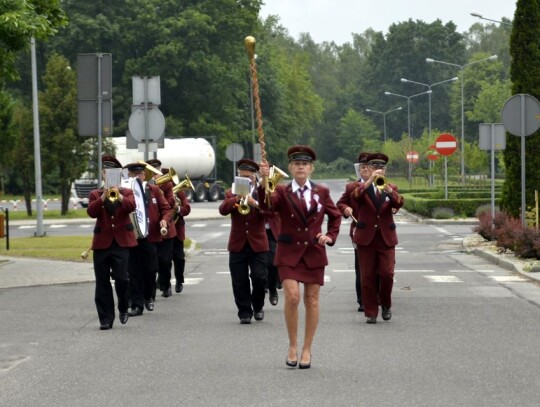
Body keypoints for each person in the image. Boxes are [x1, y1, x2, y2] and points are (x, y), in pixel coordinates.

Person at [258, 146, 341, 369]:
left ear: (311, 168)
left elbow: (335, 216)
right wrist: (263, 181)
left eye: (305, 164)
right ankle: (292, 346)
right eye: (296, 164)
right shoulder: (281, 192)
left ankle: (307, 349)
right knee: (293, 297)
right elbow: (266, 207)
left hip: (314, 251)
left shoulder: (321, 192)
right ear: (290, 168)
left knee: (312, 300)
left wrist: (330, 236)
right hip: (288, 251)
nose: (301, 167)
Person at [350, 153, 404, 324]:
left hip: (386, 237)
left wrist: (388, 189)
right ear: (369, 168)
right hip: (366, 238)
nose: (378, 171)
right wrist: (368, 182)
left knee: (387, 274)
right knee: (367, 276)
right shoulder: (361, 187)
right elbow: (355, 197)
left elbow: (399, 203)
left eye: (381, 168)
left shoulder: (391, 187)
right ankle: (370, 311)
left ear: (385, 170)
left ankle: (386, 304)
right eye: (374, 168)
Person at [87, 155, 137, 330]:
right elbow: (91, 212)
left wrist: (119, 196)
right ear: (102, 174)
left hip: (121, 242)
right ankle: (106, 318)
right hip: (102, 243)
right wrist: (103, 197)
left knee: (122, 279)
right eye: (105, 171)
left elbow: (132, 206)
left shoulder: (127, 193)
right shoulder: (95, 194)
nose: (108, 175)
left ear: (118, 175)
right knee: (102, 283)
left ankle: (123, 305)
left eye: (112, 172)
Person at [219, 158, 269, 324]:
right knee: (239, 280)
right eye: (242, 176)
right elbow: (222, 210)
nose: (246, 179)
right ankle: (244, 312)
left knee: (259, 278)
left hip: (258, 243)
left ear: (254, 177)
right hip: (238, 243)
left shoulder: (262, 192)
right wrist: (236, 199)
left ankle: (258, 306)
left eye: (249, 176)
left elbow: (270, 213)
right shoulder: (231, 192)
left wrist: (254, 203)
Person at [125, 162, 171, 317]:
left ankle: (148, 296)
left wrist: (164, 220)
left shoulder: (154, 190)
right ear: (130, 175)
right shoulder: (126, 191)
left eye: (140, 174)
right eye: (134, 174)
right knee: (133, 271)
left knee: (150, 270)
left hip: (150, 237)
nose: (137, 177)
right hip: (132, 237)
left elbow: (166, 208)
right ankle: (137, 304)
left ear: (144, 175)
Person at [336, 151, 370, 312]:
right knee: (361, 267)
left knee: (380, 268)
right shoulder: (352, 187)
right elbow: (340, 203)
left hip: (380, 233)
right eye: (362, 166)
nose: (364, 169)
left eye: (367, 166)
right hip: (360, 231)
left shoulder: (383, 184)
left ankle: (376, 296)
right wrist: (346, 208)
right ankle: (362, 300)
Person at [145, 159, 178, 298]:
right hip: (151, 228)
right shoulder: (145, 186)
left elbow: (170, 203)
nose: (155, 175)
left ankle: (166, 285)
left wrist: (159, 192)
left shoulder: (167, 184)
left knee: (165, 260)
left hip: (165, 229)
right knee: (152, 263)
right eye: (152, 173)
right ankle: (151, 291)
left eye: (157, 172)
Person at [265, 212, 281, 306]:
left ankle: (272, 288)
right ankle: (257, 305)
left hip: (272, 232)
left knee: (271, 263)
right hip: (254, 231)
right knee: (256, 272)